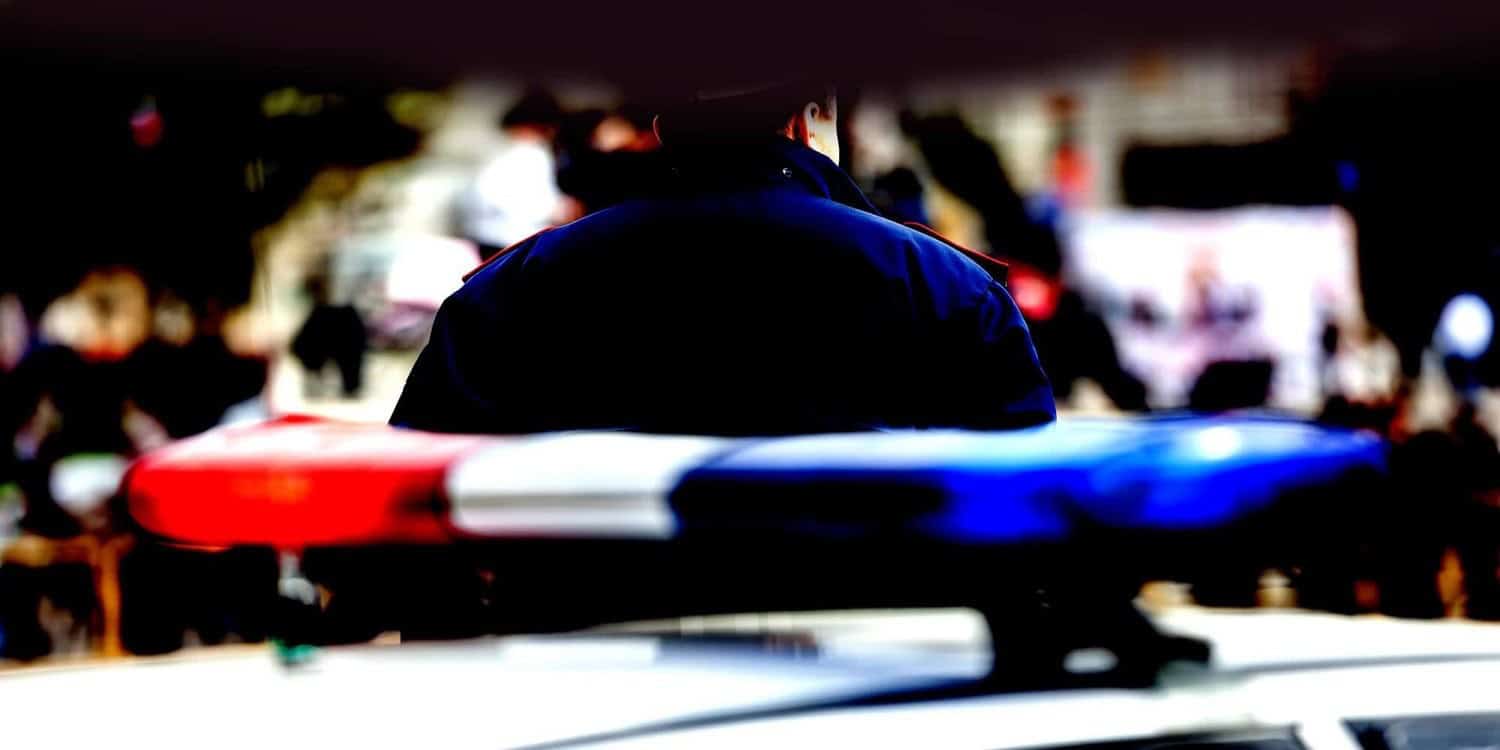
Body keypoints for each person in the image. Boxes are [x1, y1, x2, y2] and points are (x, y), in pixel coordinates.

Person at [392, 81, 1054, 436]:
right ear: (812, 118)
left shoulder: (515, 287)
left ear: (660, 131)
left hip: (588, 666)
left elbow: (409, 521)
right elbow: (1036, 510)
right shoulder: (947, 285)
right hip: (880, 664)